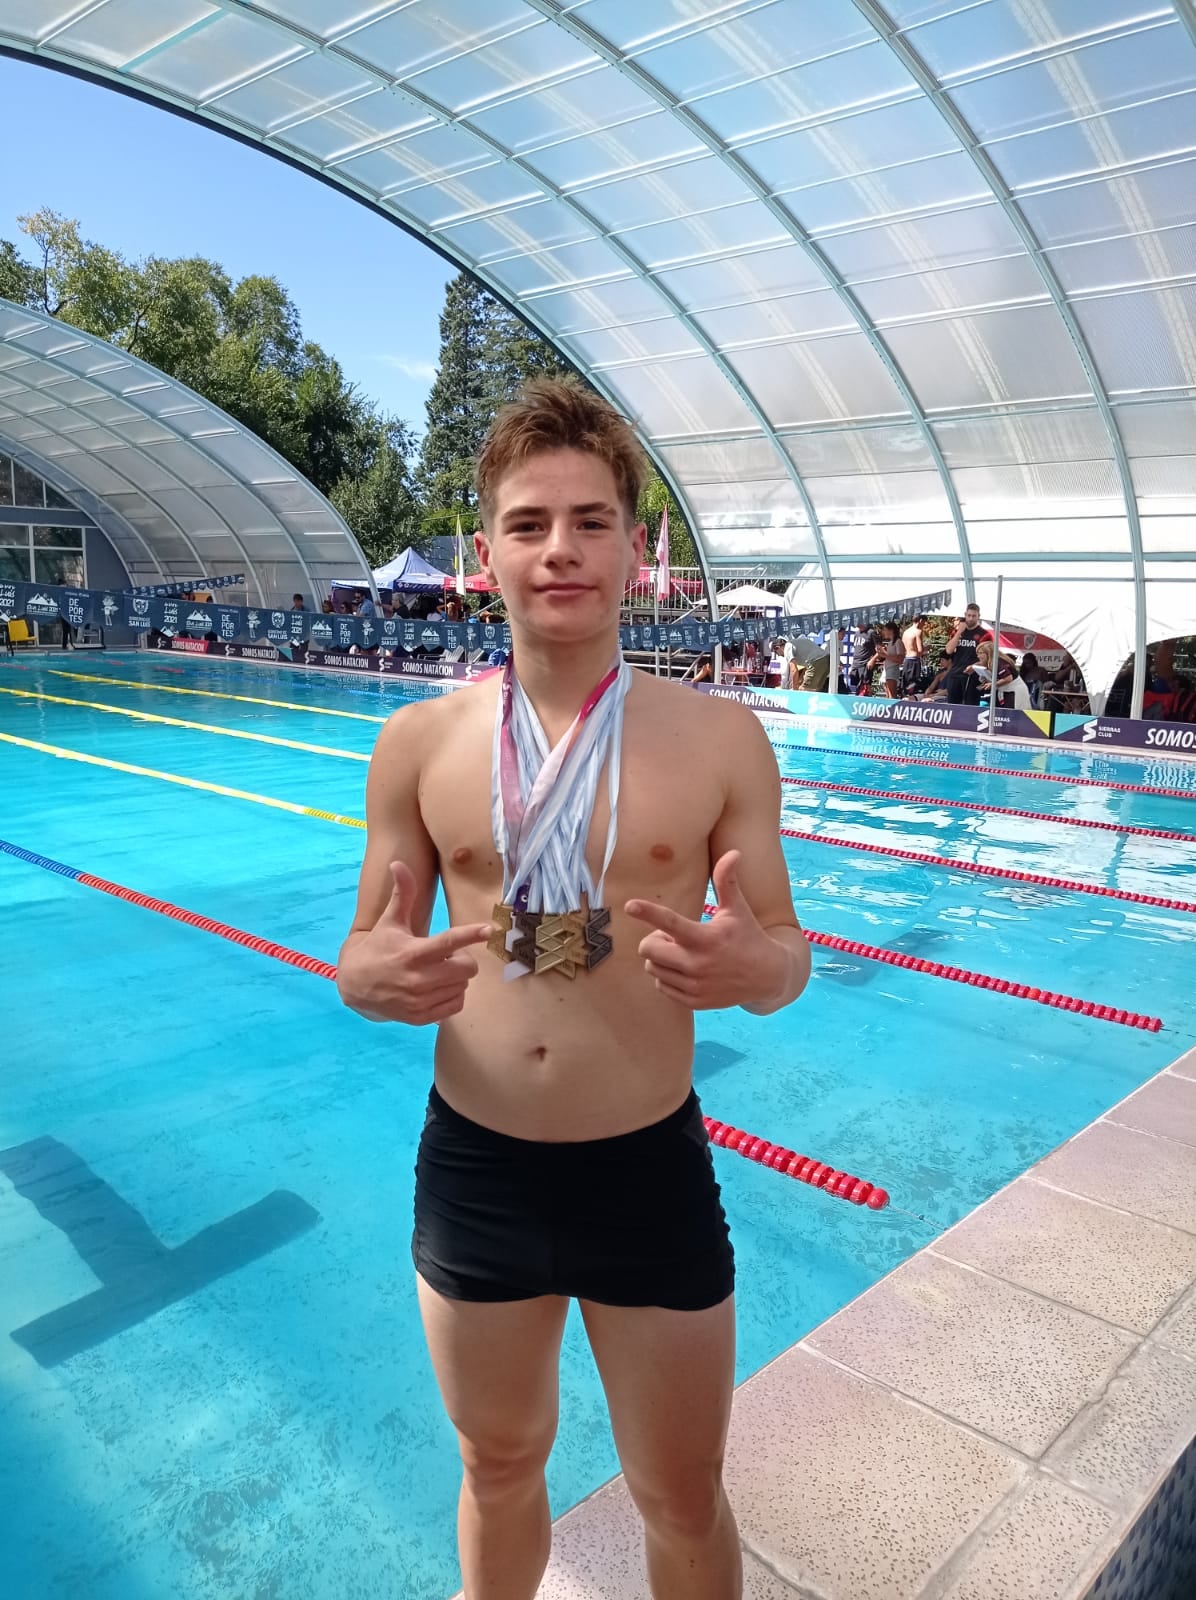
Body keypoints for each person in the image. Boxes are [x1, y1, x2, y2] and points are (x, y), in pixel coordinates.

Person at [335, 377, 810, 1600]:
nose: (560, 550)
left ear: (636, 551)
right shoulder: (420, 745)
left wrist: (760, 969)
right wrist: (368, 979)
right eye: (530, 522)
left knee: (680, 1491)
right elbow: (361, 951)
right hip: (479, 1163)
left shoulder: (719, 741)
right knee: (496, 1461)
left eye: (591, 521)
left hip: (644, 1163)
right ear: (482, 548)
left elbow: (782, 948)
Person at [941, 604, 991, 705]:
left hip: (972, 675)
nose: (971, 618)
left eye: (974, 616)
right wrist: (959, 632)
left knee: (970, 705)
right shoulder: (958, 632)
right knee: (953, 704)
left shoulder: (984, 634)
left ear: (978, 616)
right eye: (969, 615)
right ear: (965, 615)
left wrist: (975, 666)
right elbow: (949, 650)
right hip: (955, 673)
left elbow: (988, 656)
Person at [870, 623, 905, 700]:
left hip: (893, 669)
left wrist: (885, 655)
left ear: (891, 631)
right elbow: (888, 656)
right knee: (887, 694)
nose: (883, 632)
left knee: (892, 695)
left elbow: (900, 659)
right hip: (887, 669)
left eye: (885, 630)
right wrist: (881, 652)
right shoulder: (890, 643)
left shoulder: (898, 642)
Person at [901, 615, 927, 695]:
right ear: (920, 620)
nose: (924, 625)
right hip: (914, 661)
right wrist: (927, 648)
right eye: (924, 622)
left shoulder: (905, 632)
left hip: (906, 660)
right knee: (913, 685)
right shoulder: (918, 632)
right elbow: (920, 650)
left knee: (906, 684)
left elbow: (903, 648)